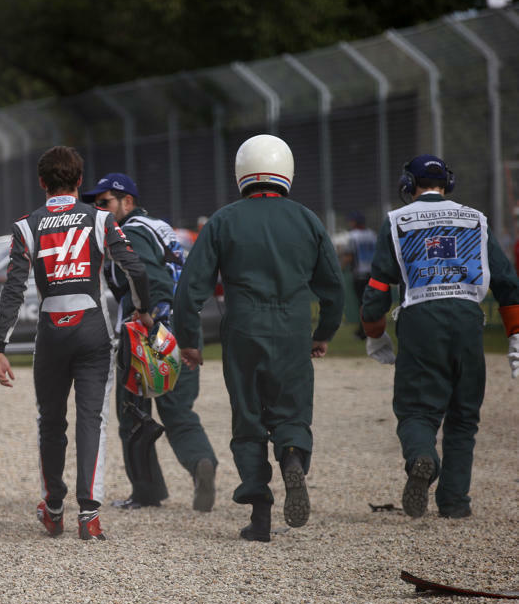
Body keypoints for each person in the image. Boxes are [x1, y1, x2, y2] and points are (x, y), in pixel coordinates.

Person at [173, 134, 345, 542]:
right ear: (286, 171)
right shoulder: (307, 219)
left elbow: (190, 289)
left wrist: (189, 340)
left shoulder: (223, 220)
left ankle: (260, 517)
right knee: (292, 411)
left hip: (243, 328)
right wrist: (323, 333)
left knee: (248, 418)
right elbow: (334, 289)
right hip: (292, 328)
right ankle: (292, 460)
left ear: (240, 172)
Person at [0, 146, 154, 541]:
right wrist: (144, 311)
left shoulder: (26, 225)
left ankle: (54, 507)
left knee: (51, 421)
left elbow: (13, 289)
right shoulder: (100, 218)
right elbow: (135, 268)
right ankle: (90, 514)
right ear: (80, 182)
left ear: (42, 183)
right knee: (92, 419)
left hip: (51, 330)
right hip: (93, 328)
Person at [360, 154, 519, 519]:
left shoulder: (396, 220)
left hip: (420, 318)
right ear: (448, 183)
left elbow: (378, 287)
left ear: (408, 185)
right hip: (466, 318)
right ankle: (455, 503)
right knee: (464, 416)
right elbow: (508, 283)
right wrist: (515, 333)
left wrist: (374, 333)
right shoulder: (476, 218)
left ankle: (422, 458)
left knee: (417, 410)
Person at [80, 172, 218, 513]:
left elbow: (149, 279)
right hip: (184, 329)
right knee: (179, 411)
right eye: (95, 204)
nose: (98, 209)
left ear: (128, 202)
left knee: (133, 415)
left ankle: (146, 490)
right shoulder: (160, 227)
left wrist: (150, 320)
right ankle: (201, 461)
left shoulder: (130, 232)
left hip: (149, 335)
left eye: (105, 202)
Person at [342, 211, 377, 339]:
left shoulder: (353, 235)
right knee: (370, 303)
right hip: (373, 273)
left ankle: (364, 332)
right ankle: (369, 330)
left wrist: (340, 268)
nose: (350, 223)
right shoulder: (372, 234)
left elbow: (349, 255)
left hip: (359, 274)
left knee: (362, 304)